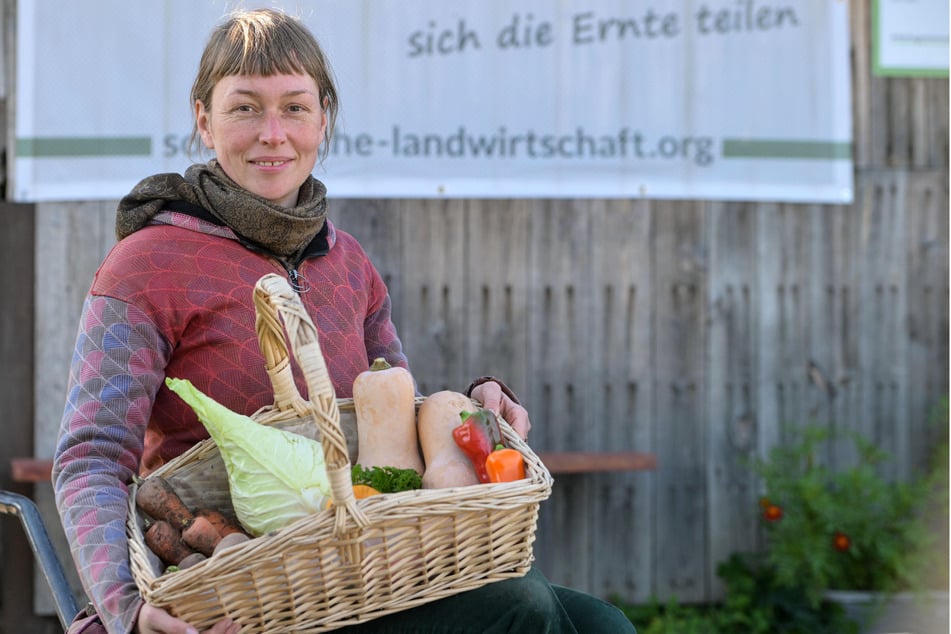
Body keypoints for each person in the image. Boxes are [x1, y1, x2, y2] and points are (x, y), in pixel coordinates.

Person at [52, 8, 637, 634]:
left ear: (324, 119)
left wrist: (473, 412)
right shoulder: (144, 265)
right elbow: (89, 456)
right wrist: (129, 610)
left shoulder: (348, 262)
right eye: (245, 107)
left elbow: (398, 416)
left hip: (370, 559)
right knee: (522, 605)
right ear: (204, 119)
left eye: (295, 108)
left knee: (603, 623)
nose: (272, 133)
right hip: (253, 584)